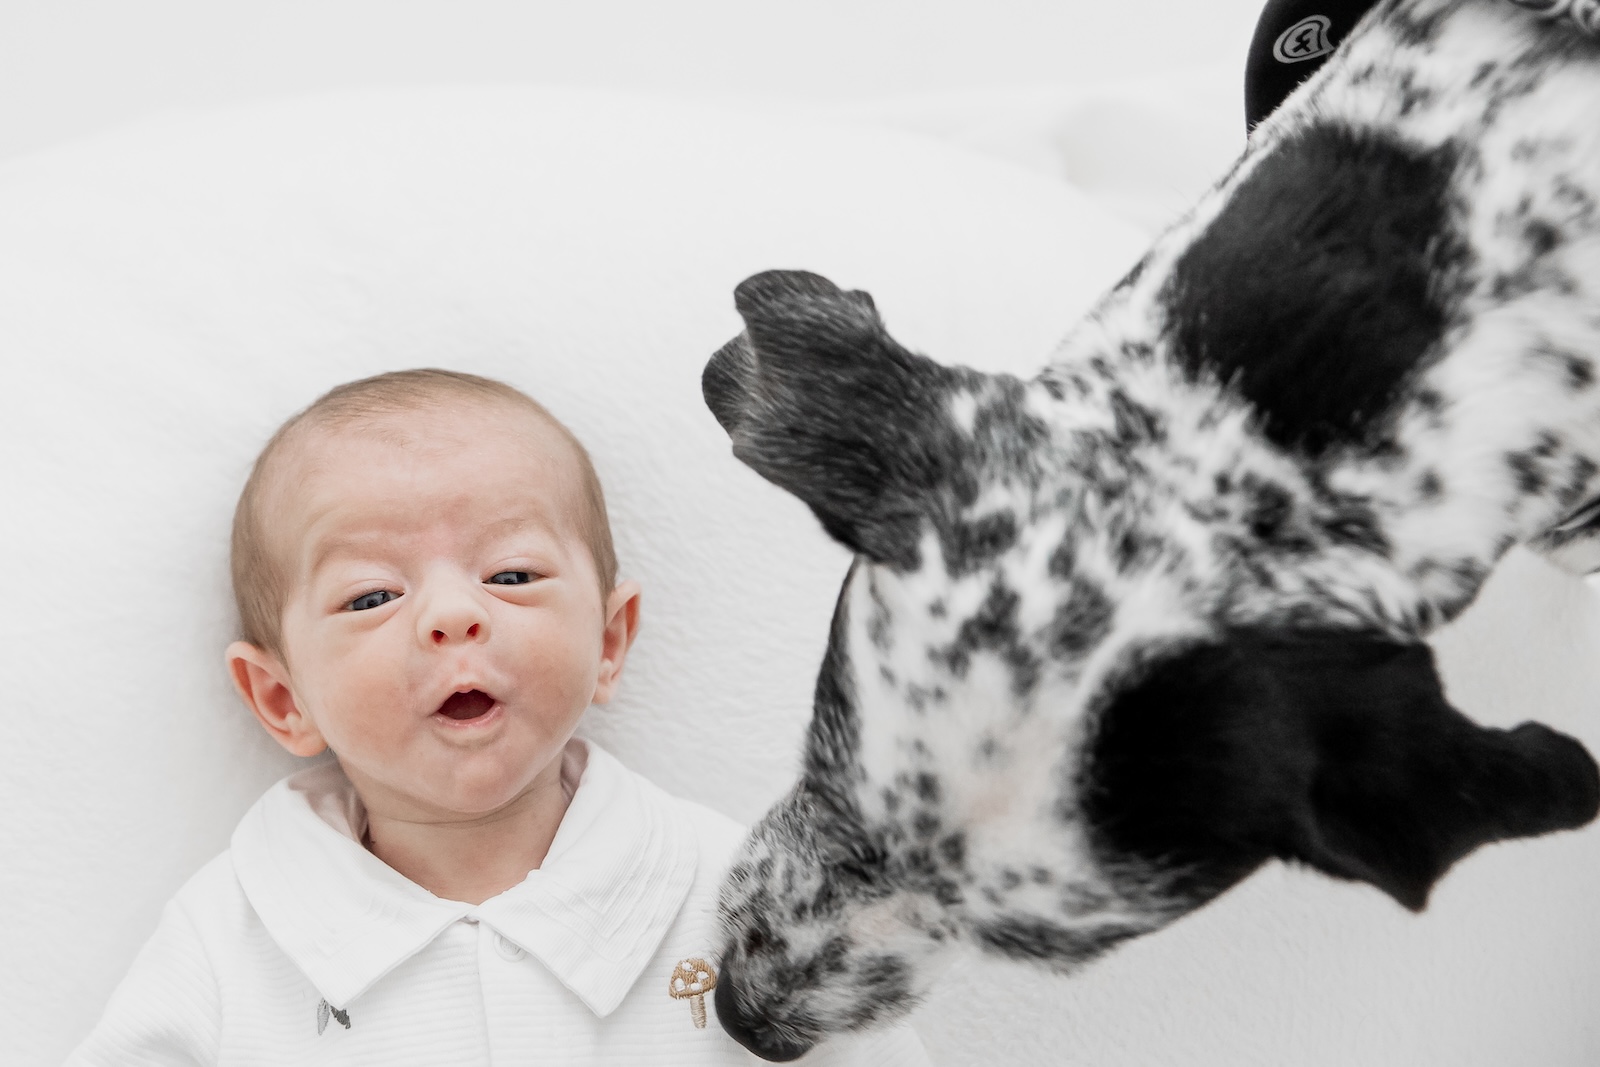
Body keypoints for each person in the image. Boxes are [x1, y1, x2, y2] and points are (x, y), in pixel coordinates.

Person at [66, 368, 930, 1065]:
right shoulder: (234, 939)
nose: (452, 614)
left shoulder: (736, 897)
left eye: (511, 574)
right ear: (284, 699)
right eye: (372, 593)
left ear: (609, 641)